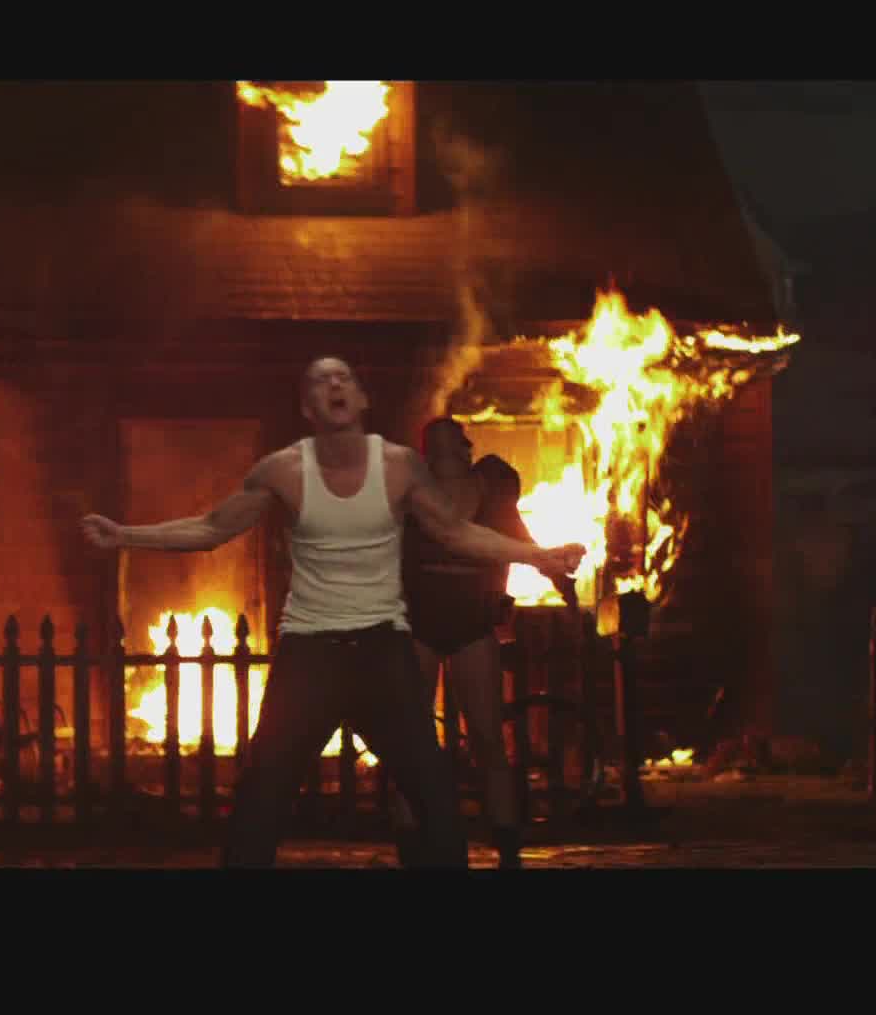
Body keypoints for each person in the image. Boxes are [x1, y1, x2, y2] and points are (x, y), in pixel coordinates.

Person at [79, 357, 584, 868]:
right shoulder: (283, 470)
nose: (335, 385)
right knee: (263, 793)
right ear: (308, 407)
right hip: (310, 652)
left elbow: (456, 533)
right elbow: (212, 528)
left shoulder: (399, 468)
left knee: (432, 792)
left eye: (344, 378)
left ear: (362, 399)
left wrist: (538, 556)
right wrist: (125, 535)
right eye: (321, 381)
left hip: (381, 649)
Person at [388, 420, 575, 869]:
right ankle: (411, 846)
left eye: (451, 442)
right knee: (412, 740)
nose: (445, 451)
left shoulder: (491, 494)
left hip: (472, 623)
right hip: (418, 623)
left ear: (465, 449)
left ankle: (507, 846)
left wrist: (557, 576)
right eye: (435, 445)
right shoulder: (409, 495)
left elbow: (520, 540)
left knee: (488, 739)